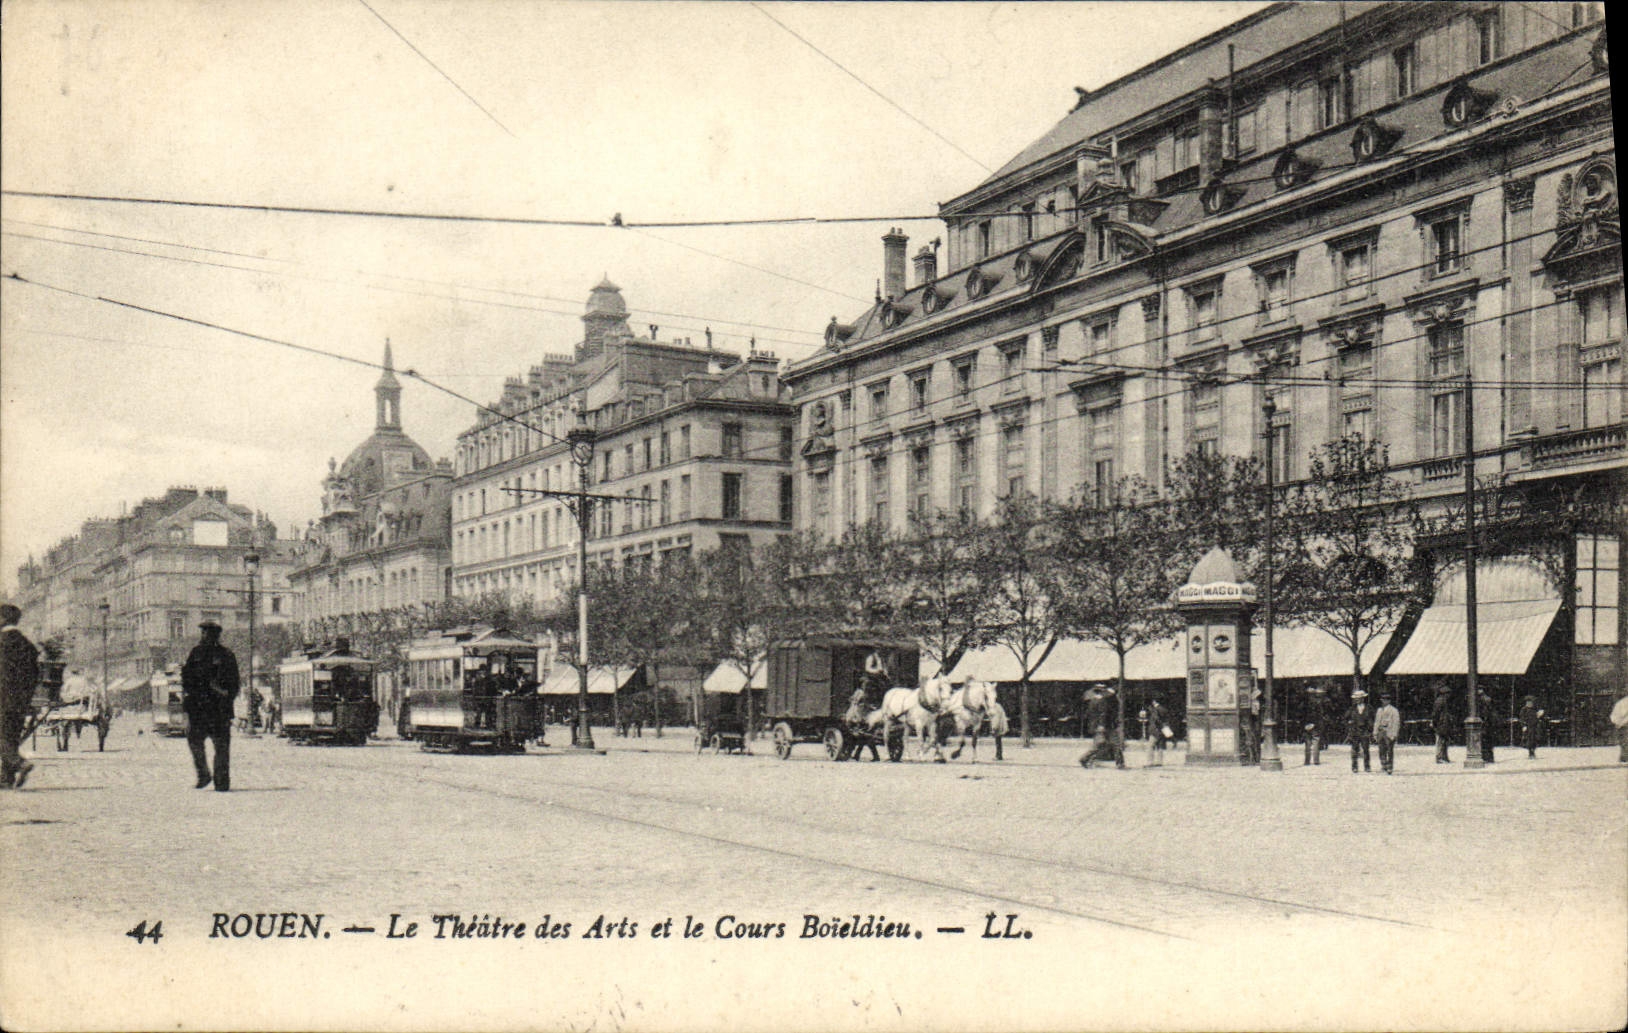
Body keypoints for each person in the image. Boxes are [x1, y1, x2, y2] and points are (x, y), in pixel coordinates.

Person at [181, 619, 239, 792]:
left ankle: (220, 780)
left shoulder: (225, 655)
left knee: (220, 747)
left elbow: (234, 683)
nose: (204, 635)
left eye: (207, 632)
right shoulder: (196, 653)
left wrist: (225, 695)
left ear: (216, 635)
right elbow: (187, 679)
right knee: (195, 741)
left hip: (216, 709)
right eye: (203, 632)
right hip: (201, 709)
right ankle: (205, 774)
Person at [1, 603, 40, 789]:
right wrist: (26, 697)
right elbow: (35, 674)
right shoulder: (27, 645)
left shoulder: (1, 642)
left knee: (3, 736)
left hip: (2, 698)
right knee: (11, 736)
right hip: (21, 700)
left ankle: (19, 763)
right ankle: (6, 778)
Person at [1078, 685, 1125, 769]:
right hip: (1106, 726)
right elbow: (1103, 714)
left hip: (1098, 727)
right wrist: (1102, 725)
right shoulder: (1103, 700)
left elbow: (1090, 715)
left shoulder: (1092, 701)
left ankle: (1085, 758)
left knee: (1099, 745)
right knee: (1115, 744)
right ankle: (1120, 763)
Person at [1344, 689, 1374, 774]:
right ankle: (1354, 767)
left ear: (1363, 698)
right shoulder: (1352, 709)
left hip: (1365, 731)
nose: (1358, 700)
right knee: (1354, 750)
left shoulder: (1369, 708)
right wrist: (1349, 725)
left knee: (1366, 749)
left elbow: (1373, 718)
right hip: (1355, 731)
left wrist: (1370, 728)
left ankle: (1367, 766)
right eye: (1356, 698)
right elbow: (1345, 719)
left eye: (1360, 698)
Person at [1374, 692, 1402, 775]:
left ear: (1389, 701)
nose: (1384, 701)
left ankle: (1390, 766)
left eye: (1386, 700)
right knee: (1381, 749)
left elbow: (1396, 722)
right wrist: (1375, 732)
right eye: (1382, 700)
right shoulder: (1379, 710)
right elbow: (1376, 721)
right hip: (1381, 731)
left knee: (1389, 750)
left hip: (1389, 731)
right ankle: (1384, 764)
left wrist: (1394, 733)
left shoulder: (1394, 710)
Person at [1430, 681, 1453, 764]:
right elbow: (1435, 713)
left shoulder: (1443, 701)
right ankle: (1440, 757)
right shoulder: (1440, 701)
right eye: (1448, 693)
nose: (1449, 695)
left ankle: (1444, 757)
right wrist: (1434, 722)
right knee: (1440, 740)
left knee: (1444, 741)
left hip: (1444, 723)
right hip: (1441, 724)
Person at [1304, 684, 1326, 766]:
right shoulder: (1318, 702)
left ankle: (1307, 761)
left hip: (1306, 725)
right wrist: (1315, 724)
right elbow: (1319, 715)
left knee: (1307, 743)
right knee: (1316, 741)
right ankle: (1316, 760)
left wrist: (1305, 725)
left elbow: (1301, 715)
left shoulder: (1304, 703)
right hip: (1315, 724)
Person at [1145, 698, 1171, 768]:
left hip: (1155, 730)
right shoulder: (1163, 709)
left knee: (1150, 746)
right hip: (1162, 730)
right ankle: (1159, 761)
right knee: (1160, 746)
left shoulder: (1155, 710)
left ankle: (1150, 762)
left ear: (1154, 701)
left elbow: (1156, 719)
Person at [1477, 689, 1496, 764]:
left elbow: (1485, 713)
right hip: (1489, 723)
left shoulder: (1482, 700)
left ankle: (1486, 757)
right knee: (1488, 741)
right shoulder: (1487, 699)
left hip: (1485, 723)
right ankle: (1490, 758)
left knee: (1484, 741)